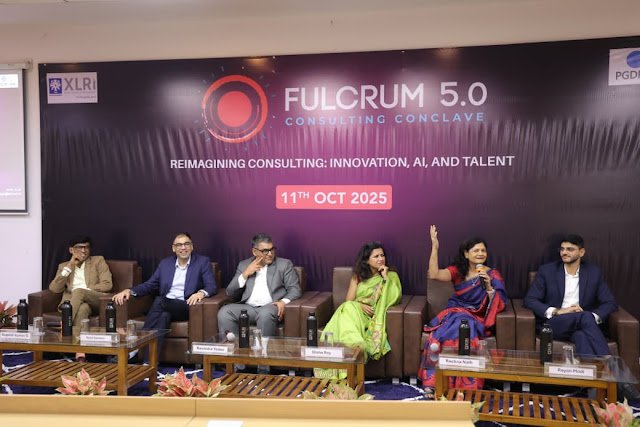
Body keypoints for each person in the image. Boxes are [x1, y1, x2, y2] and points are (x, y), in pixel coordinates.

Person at [524, 234, 639, 401]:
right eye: (562, 249)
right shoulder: (547, 271)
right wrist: (558, 311)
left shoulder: (593, 273)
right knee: (584, 317)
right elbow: (530, 300)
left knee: (581, 336)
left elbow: (610, 303)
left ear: (581, 252)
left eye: (570, 249)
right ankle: (617, 375)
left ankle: (592, 391)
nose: (564, 252)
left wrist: (591, 316)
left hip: (582, 325)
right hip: (555, 324)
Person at [418, 225, 507, 394]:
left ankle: (466, 386)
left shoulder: (492, 274)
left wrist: (489, 287)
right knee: (441, 335)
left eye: (483, 250)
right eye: (476, 250)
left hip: (475, 316)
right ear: (466, 254)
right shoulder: (458, 271)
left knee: (467, 328)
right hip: (455, 312)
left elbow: (500, 301)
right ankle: (435, 383)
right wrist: (435, 247)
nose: (480, 253)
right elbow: (434, 274)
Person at [112, 232, 216, 360]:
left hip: (186, 306)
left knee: (160, 301)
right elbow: (150, 284)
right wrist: (130, 291)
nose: (183, 247)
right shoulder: (165, 264)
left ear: (192, 246)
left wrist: (201, 293)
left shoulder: (202, 262)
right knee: (163, 317)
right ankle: (149, 363)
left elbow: (211, 286)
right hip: (166, 306)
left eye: (186, 244)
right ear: (173, 248)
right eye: (179, 245)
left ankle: (136, 345)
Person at [314, 241, 402, 380]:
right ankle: (356, 347)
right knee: (347, 307)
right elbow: (349, 301)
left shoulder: (391, 276)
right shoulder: (358, 277)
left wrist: (385, 279)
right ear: (367, 260)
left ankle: (353, 351)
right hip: (356, 311)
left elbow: (393, 297)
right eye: (376, 256)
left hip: (371, 315)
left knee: (346, 310)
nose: (381, 259)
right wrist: (359, 306)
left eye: (382, 255)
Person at [218, 233, 302, 339]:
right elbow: (230, 292)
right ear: (254, 251)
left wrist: (283, 302)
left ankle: (263, 348)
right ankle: (235, 347)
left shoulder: (284, 265)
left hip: (271, 307)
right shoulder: (244, 265)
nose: (270, 254)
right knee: (225, 312)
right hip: (249, 308)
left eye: (272, 249)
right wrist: (245, 274)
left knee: (264, 314)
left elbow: (295, 289)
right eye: (265, 251)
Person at [49, 235, 113, 362]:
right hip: (78, 304)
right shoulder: (64, 266)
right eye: (79, 247)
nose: (84, 251)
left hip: (96, 299)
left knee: (79, 291)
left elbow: (107, 284)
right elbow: (54, 289)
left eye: (86, 247)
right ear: (71, 250)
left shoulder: (98, 261)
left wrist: (85, 290)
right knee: (82, 309)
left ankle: (64, 324)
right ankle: (80, 353)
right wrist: (70, 265)